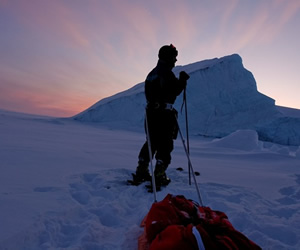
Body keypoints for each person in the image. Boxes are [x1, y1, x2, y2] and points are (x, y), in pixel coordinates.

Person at [130, 44, 190, 188]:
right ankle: (159, 175)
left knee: (151, 142)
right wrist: (182, 81)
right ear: (168, 57)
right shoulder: (166, 73)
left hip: (150, 113)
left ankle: (141, 170)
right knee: (165, 144)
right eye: (174, 57)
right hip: (164, 114)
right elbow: (173, 91)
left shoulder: (152, 73)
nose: (175, 60)